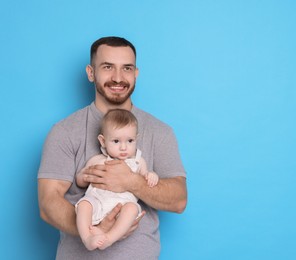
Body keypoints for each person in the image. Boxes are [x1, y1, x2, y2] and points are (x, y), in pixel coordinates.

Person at [38, 36, 187, 260]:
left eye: (126, 68)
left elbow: (178, 199)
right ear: (91, 73)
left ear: (136, 73)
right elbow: (48, 203)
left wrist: (131, 181)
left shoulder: (160, 131)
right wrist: (94, 227)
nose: (118, 77)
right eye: (107, 67)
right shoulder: (64, 131)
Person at [75, 108, 159, 251]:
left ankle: (109, 238)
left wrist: (152, 176)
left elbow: (145, 176)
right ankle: (87, 238)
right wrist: (83, 176)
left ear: (136, 139)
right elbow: (80, 181)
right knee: (84, 204)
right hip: (98, 202)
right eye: (116, 141)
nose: (123, 147)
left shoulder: (138, 162)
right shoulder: (97, 160)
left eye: (130, 141)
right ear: (103, 141)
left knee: (132, 209)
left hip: (122, 205)